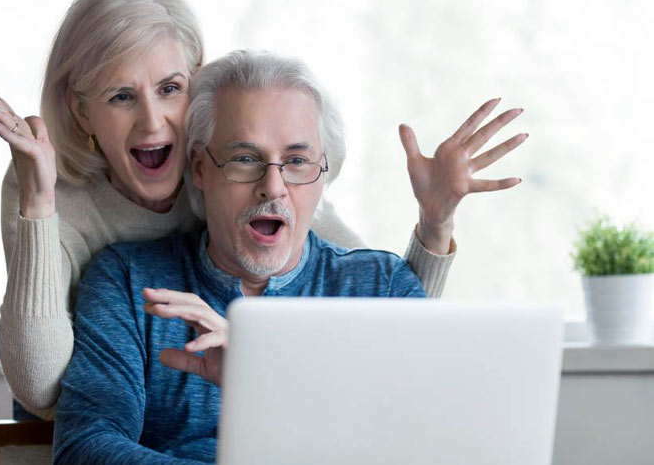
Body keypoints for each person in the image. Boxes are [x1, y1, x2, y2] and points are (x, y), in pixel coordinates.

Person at [0, 0, 518, 420]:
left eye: (171, 89)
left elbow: (374, 303)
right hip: (85, 390)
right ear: (82, 111)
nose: (154, 122)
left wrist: (435, 223)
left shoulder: (261, 178)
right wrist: (37, 202)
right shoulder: (60, 199)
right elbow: (42, 388)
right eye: (121, 95)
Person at [51, 49, 525, 464]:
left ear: (323, 174)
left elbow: (428, 446)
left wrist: (265, 379)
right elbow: (83, 447)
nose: (272, 186)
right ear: (200, 168)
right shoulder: (128, 281)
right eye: (244, 158)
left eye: (297, 161)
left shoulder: (381, 287)